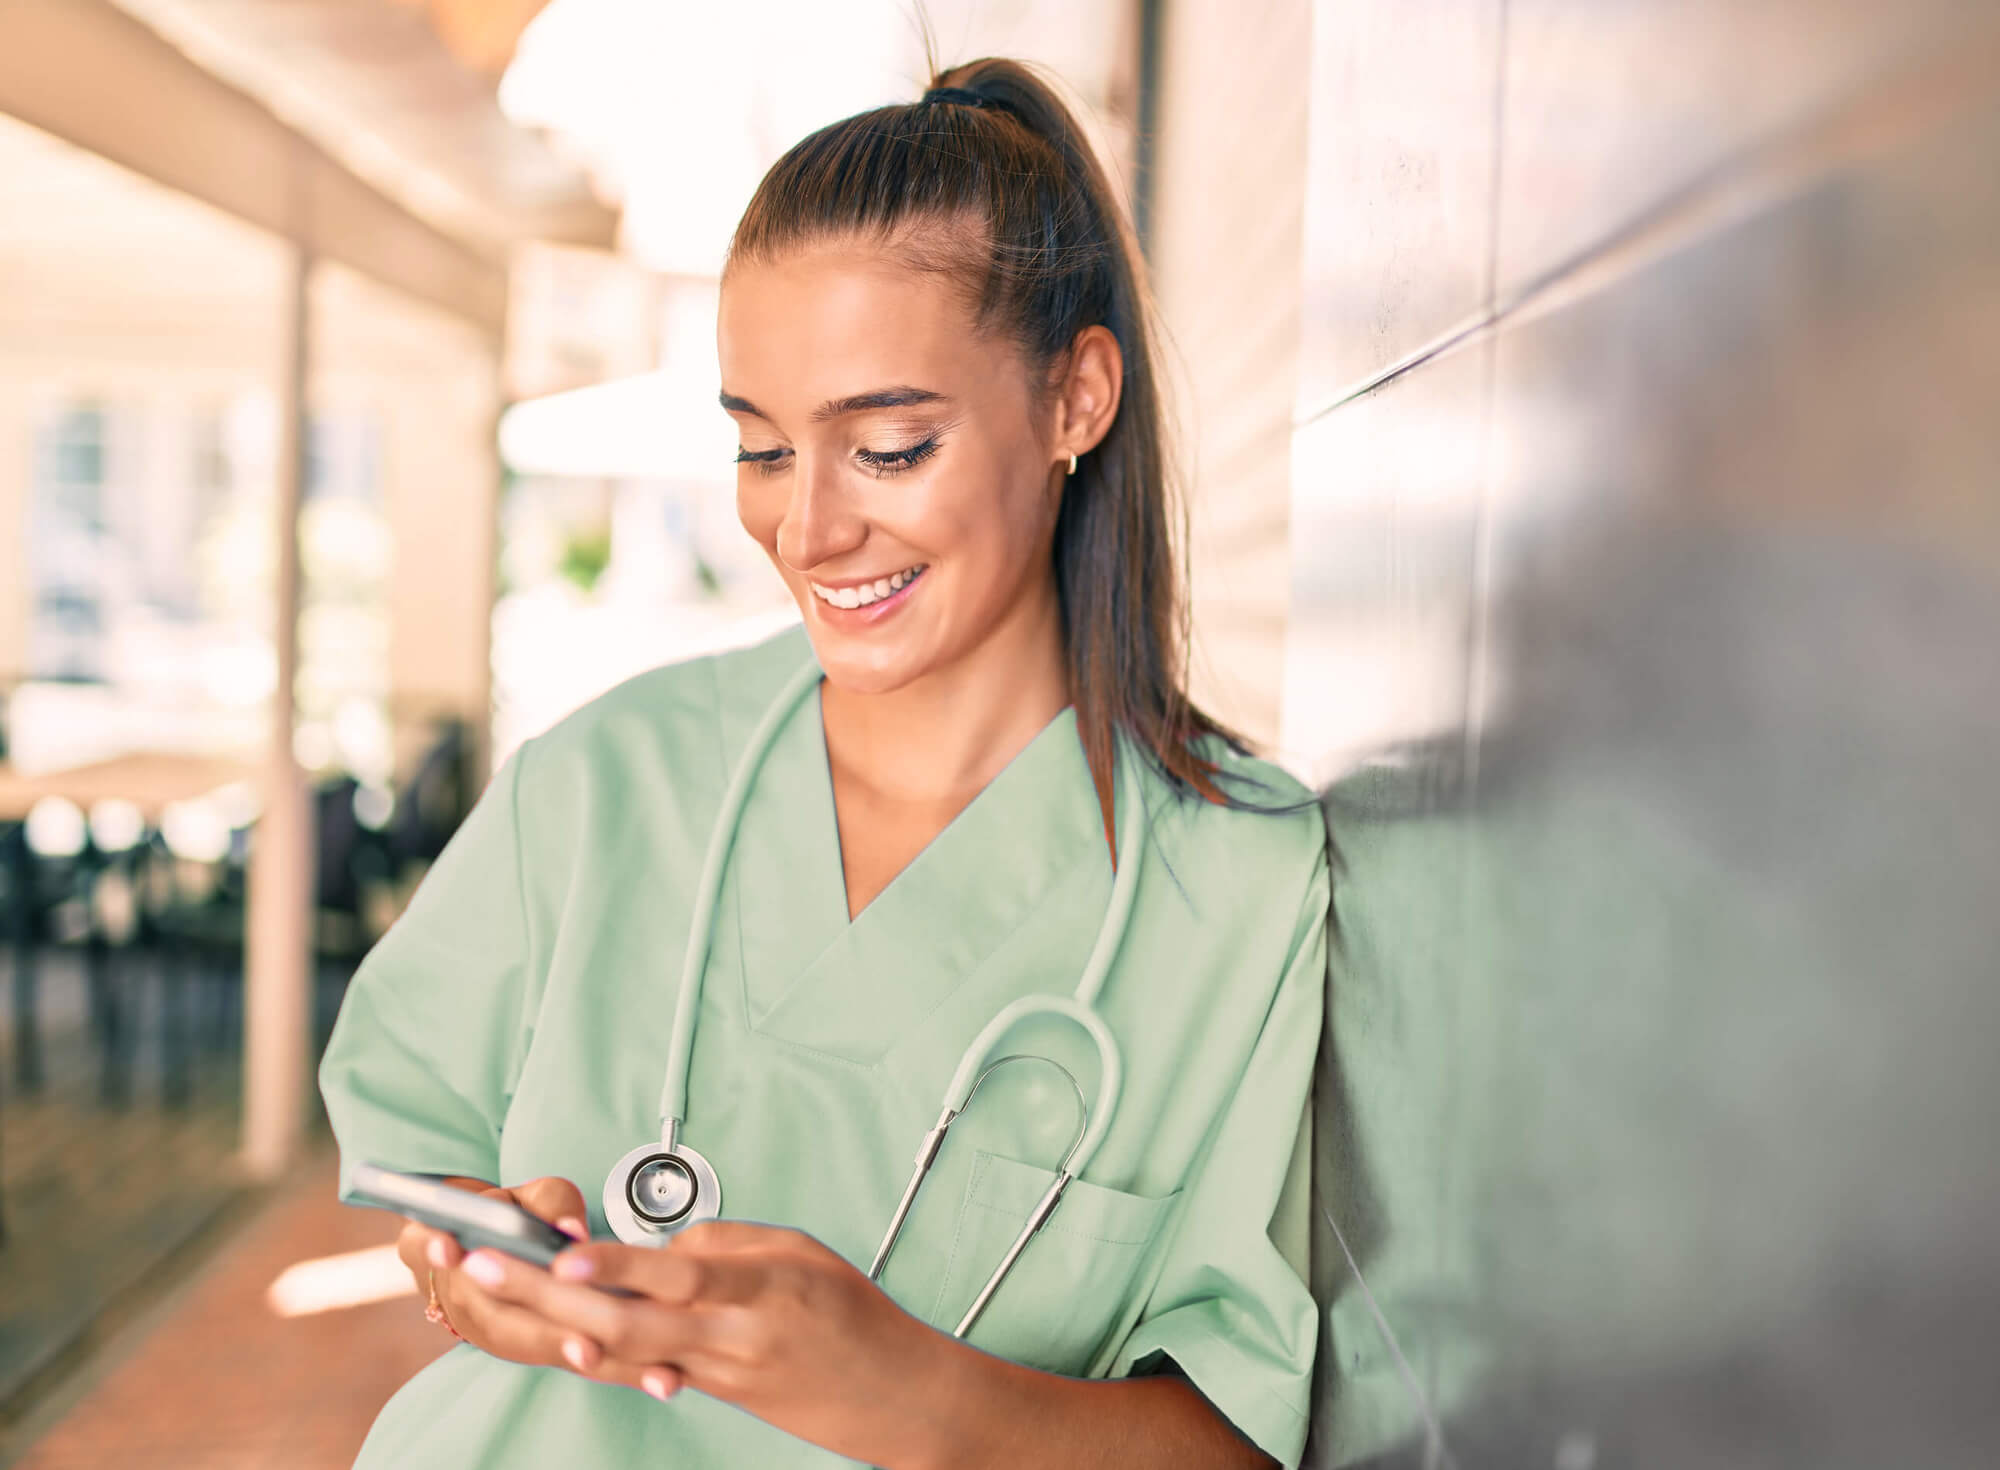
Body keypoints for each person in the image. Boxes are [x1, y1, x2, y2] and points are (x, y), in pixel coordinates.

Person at [318, 55, 1329, 1470]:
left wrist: (900, 1387)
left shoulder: (1245, 887)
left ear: (1076, 398)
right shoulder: (607, 783)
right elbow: (415, 1145)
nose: (806, 532)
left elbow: (1235, 1434)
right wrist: (474, 1270)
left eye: (889, 447)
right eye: (762, 450)